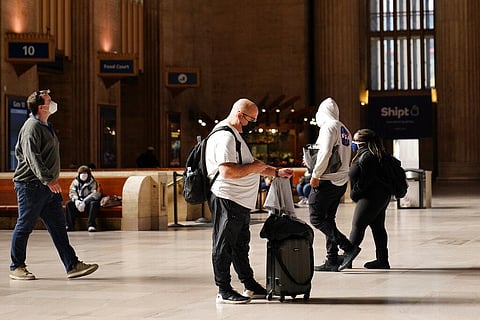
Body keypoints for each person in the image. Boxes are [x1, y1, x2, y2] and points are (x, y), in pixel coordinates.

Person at [205, 98, 293, 304]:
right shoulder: (225, 137)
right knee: (224, 245)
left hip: (240, 201)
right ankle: (223, 289)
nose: (251, 123)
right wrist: (254, 169)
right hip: (228, 198)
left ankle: (249, 284)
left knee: (240, 246)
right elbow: (227, 170)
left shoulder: (236, 135)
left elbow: (252, 164)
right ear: (239, 114)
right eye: (250, 119)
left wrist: (277, 172)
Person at [9, 89, 98, 280]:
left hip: (46, 187)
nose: (53, 103)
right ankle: (16, 266)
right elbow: (33, 157)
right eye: (50, 101)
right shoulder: (32, 127)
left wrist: (49, 181)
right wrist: (47, 179)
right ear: (41, 107)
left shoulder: (45, 125)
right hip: (30, 186)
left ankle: (72, 265)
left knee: (58, 227)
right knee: (24, 225)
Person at [308, 97, 360, 272]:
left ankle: (348, 248)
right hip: (340, 181)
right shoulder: (344, 128)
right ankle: (331, 259)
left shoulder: (329, 127)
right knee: (328, 219)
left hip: (327, 180)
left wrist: (316, 173)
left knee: (316, 218)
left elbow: (325, 152)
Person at [348, 129, 392, 269]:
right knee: (378, 228)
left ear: (363, 143)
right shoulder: (374, 154)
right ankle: (382, 260)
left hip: (371, 197)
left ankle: (346, 259)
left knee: (358, 226)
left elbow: (364, 182)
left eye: (355, 141)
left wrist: (353, 194)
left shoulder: (368, 157)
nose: (353, 143)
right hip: (380, 196)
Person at [65, 165, 102, 232]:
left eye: (85, 173)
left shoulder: (93, 182)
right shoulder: (75, 182)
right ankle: (69, 225)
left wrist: (85, 202)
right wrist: (76, 200)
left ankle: (91, 225)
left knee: (94, 203)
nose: (83, 175)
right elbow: (72, 192)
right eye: (81, 173)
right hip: (78, 201)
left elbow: (95, 194)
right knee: (68, 204)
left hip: (88, 202)